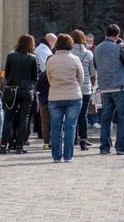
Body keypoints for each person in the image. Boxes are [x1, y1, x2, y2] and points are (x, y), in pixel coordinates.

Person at [94, 23, 124, 155]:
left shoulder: (97, 49)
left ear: (106, 33)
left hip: (105, 87)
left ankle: (104, 147)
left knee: (106, 118)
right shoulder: (118, 48)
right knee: (122, 118)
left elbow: (96, 66)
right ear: (117, 36)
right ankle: (121, 147)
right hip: (121, 87)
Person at [46, 33, 85, 163]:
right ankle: (68, 156)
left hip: (55, 96)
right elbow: (81, 79)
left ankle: (56, 157)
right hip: (73, 96)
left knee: (56, 128)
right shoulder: (75, 59)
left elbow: (49, 78)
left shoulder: (50, 60)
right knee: (70, 127)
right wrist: (74, 88)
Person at [0, 33, 38, 154]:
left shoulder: (11, 56)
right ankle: (20, 146)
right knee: (24, 118)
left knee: (8, 118)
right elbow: (34, 77)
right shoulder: (32, 58)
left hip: (12, 90)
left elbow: (7, 73)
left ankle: (4, 145)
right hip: (27, 90)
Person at [71, 30, 96, 151]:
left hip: (71, 87)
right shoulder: (88, 54)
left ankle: (73, 138)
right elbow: (93, 73)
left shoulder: (68, 53)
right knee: (83, 114)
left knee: (71, 114)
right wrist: (93, 85)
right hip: (85, 88)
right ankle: (84, 140)